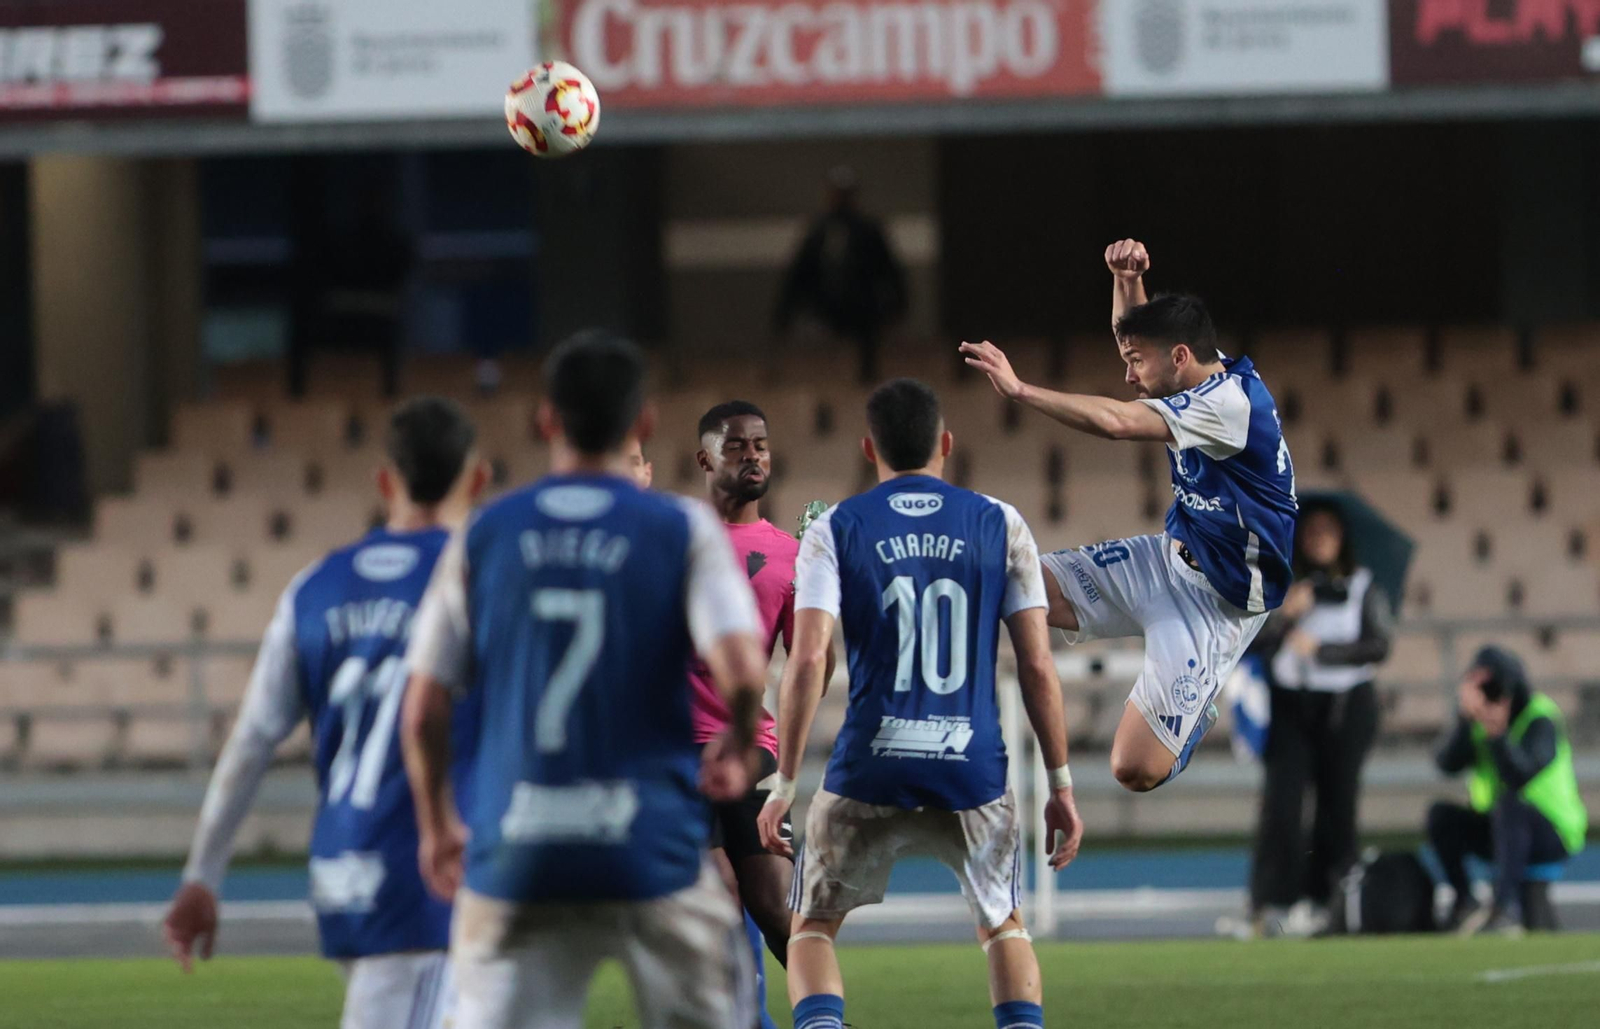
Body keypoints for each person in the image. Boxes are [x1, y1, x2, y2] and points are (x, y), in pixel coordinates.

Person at [400, 330, 771, 1029]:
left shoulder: (485, 533)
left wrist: (436, 826)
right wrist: (742, 741)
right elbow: (745, 667)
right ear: (645, 424)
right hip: (649, 844)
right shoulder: (682, 527)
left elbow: (422, 708)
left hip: (518, 845)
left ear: (546, 420)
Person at [756, 378, 1083, 1029]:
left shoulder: (835, 526)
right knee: (1003, 924)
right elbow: (1038, 665)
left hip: (868, 763)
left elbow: (810, 659)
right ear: (947, 444)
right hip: (971, 766)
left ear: (867, 447)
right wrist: (1060, 782)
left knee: (813, 925)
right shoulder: (1000, 520)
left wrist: (784, 782)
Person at [163, 398, 488, 1029]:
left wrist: (203, 873)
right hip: (430, 870)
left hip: (341, 867)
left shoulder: (312, 587)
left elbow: (252, 740)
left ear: (383, 479)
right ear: (476, 479)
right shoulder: (475, 578)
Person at [960, 239, 1297, 791]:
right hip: (1169, 558)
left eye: (1137, 363)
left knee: (1134, 769)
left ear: (1181, 357)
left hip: (1220, 603)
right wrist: (1127, 282)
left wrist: (1020, 389)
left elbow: (1118, 422)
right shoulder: (1199, 375)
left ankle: (1195, 711)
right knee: (1011, 581)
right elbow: (1140, 346)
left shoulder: (1231, 406)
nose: (1129, 375)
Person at [1245, 501, 1391, 936]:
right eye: (1310, 532)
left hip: (1346, 707)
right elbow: (1250, 645)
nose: (1319, 539)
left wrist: (1323, 653)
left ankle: (1333, 901)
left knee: (1338, 806)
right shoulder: (1283, 586)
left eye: (1328, 531)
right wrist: (1284, 616)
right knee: (1282, 805)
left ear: (1342, 538)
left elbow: (1378, 646)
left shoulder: (1364, 586)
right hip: (1291, 704)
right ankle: (1272, 902)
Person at [1428, 646, 1589, 935]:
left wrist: (1498, 735)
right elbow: (1446, 763)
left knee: (1511, 805)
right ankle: (1466, 902)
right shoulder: (1476, 721)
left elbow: (1520, 776)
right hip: (1501, 830)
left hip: (1551, 833)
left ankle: (1505, 909)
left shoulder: (1540, 718)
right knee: (1440, 816)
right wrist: (1465, 720)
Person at [774, 167, 908, 384]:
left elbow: (889, 270)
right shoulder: (819, 232)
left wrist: (897, 306)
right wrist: (784, 314)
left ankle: (865, 381)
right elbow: (799, 274)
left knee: (866, 350)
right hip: (824, 310)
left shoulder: (869, 230)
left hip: (863, 310)